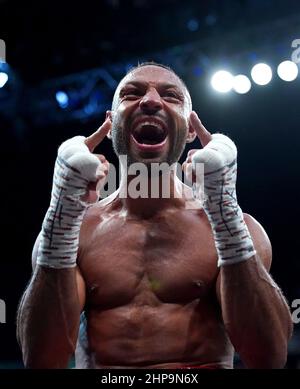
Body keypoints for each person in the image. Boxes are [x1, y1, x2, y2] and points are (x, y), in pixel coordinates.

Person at [17, 62, 293, 369]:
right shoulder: (73, 230)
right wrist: (62, 211)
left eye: (170, 96)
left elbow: (268, 358)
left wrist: (225, 213)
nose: (150, 101)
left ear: (190, 129)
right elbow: (42, 360)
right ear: (111, 125)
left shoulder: (237, 227)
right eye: (131, 93)